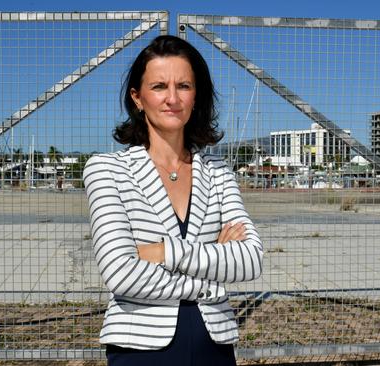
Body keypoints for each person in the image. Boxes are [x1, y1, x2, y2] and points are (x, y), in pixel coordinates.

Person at [83, 35, 263, 366]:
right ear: (137, 98)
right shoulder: (107, 170)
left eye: (183, 86)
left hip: (215, 345)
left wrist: (164, 252)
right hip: (140, 348)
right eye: (159, 86)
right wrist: (212, 279)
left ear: (196, 97)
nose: (172, 98)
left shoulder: (218, 171)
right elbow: (120, 273)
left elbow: (250, 259)